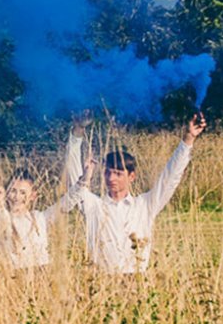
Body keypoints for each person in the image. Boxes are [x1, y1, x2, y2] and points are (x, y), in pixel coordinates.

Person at [65, 113, 207, 274]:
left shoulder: (145, 205)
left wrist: (188, 139)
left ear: (132, 176)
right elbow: (73, 178)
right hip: (101, 285)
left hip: (136, 282)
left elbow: (170, 178)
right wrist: (77, 132)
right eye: (108, 172)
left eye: (118, 173)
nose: (111, 178)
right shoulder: (93, 205)